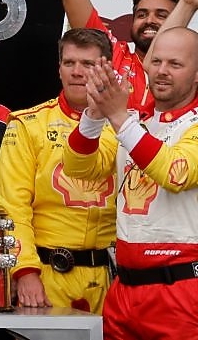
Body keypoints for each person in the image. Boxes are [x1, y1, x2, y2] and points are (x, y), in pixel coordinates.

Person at [63, 26, 198, 339]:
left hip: (181, 291)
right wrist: (94, 118)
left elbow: (176, 173)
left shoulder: (134, 125)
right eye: (157, 61)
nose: (162, 71)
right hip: (123, 289)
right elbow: (80, 169)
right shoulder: (137, 123)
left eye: (175, 65)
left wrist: (119, 118)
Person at [0, 28, 116, 312]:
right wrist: (25, 272)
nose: (77, 72)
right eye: (69, 63)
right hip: (48, 273)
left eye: (88, 64)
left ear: (107, 69)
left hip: (112, 277)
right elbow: (13, 206)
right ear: (58, 69)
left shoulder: (127, 125)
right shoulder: (28, 125)